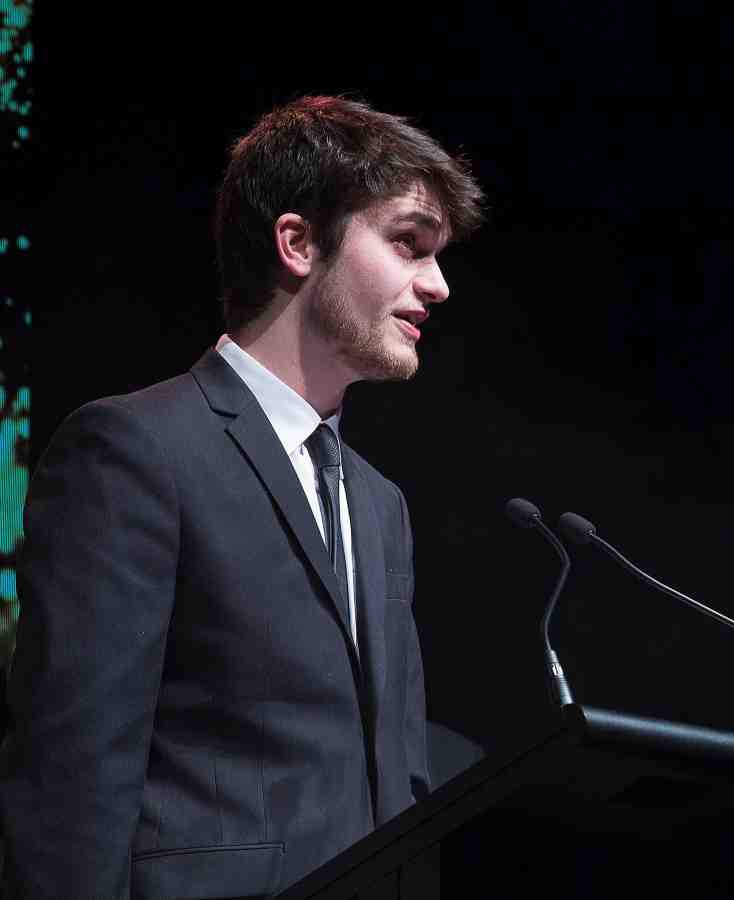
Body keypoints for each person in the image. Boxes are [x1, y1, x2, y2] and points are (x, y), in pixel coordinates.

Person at [0, 96, 484, 897]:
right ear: (296, 243)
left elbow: (398, 786)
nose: (436, 285)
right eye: (408, 244)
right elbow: (71, 781)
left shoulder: (380, 504)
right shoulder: (134, 451)